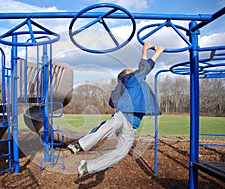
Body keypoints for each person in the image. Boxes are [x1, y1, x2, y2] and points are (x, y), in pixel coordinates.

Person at [68, 42, 165, 177]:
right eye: (132, 72)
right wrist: (154, 52)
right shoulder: (131, 80)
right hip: (123, 116)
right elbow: (144, 68)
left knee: (120, 152)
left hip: (132, 126)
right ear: (127, 76)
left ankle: (87, 167)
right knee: (104, 129)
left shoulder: (128, 86)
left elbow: (112, 101)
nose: (136, 73)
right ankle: (80, 145)